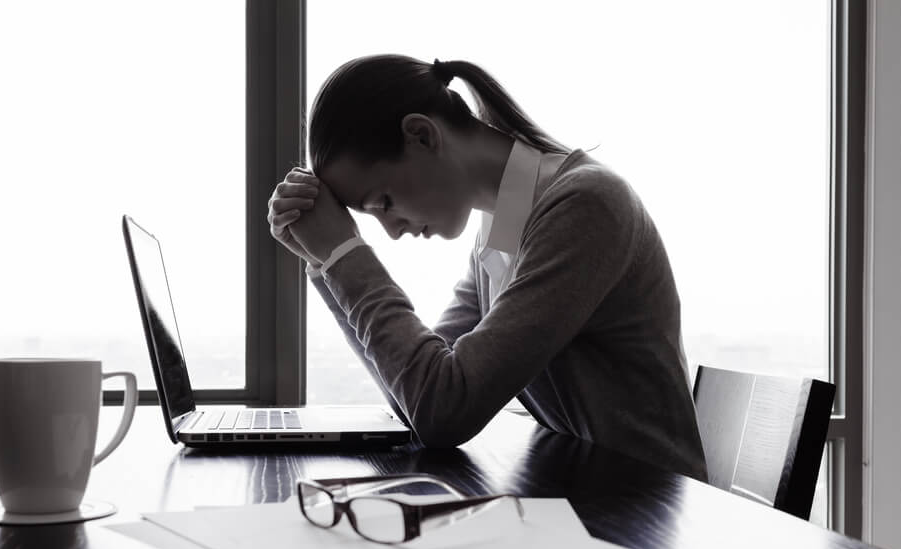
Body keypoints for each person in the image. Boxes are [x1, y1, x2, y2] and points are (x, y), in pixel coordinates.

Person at [267, 54, 707, 481]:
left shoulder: (585, 205)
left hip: (650, 517)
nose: (393, 231)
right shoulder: (501, 228)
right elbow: (418, 398)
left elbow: (444, 411)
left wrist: (346, 256)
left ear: (422, 135)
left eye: (383, 202)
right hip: (587, 498)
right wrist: (326, 262)